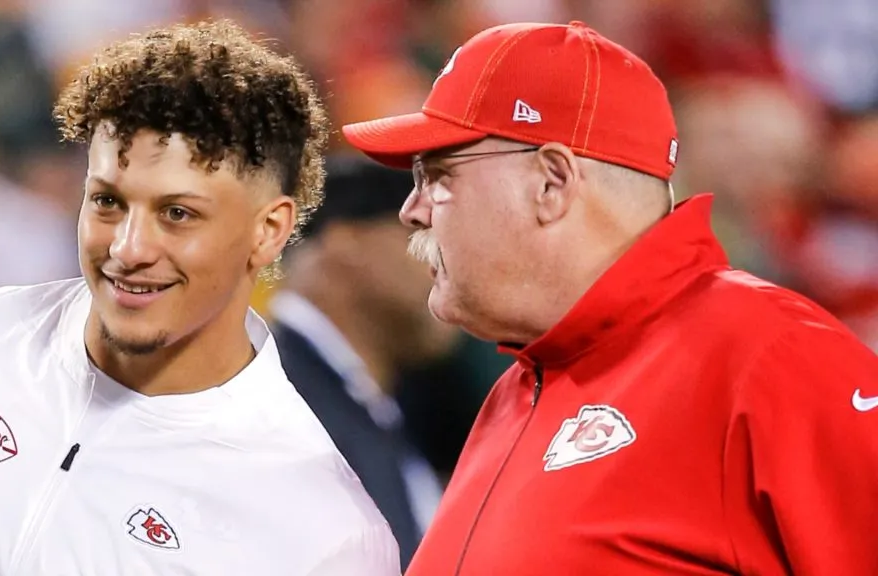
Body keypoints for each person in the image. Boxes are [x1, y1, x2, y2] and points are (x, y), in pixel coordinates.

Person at [0, 20, 399, 576]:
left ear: (268, 231)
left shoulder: (321, 534)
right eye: (107, 202)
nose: (128, 248)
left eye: (177, 213)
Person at [341, 20, 878, 576]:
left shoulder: (771, 358)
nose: (412, 210)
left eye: (437, 176)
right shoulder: (517, 393)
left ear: (551, 183)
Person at [270, 155, 458, 569]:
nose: (445, 262)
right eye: (423, 234)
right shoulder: (269, 390)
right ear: (346, 240)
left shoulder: (359, 396)